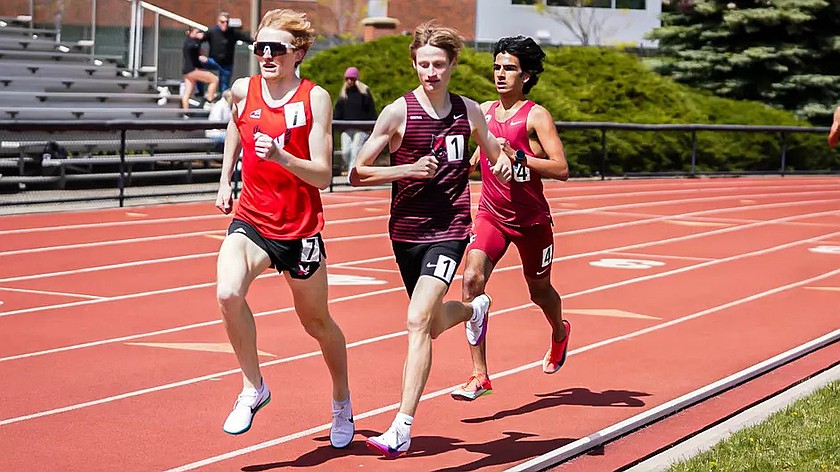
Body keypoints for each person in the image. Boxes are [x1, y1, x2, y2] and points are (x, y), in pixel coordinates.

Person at [349, 20, 512, 459]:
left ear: (453, 63)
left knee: (417, 321)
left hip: (452, 229)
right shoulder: (397, 112)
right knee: (434, 323)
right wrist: (405, 169)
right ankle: (475, 308)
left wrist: (499, 164)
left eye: (438, 64)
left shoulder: (469, 111)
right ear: (414, 64)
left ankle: (402, 428)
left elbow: (496, 156)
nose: (430, 73)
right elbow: (356, 173)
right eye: (423, 64)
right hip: (405, 233)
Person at [213, 8, 354, 449]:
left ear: (299, 53)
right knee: (228, 292)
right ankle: (254, 387)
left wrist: (280, 157)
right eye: (261, 48)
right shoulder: (243, 88)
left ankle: (341, 401)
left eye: (277, 49)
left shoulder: (314, 98)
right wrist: (225, 179)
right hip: (252, 218)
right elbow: (240, 124)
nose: (268, 55)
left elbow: (323, 175)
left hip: (299, 229)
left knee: (316, 323)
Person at [449, 36, 572, 402]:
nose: (501, 75)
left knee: (540, 292)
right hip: (491, 215)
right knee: (470, 279)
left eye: (510, 69)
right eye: (497, 67)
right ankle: (479, 373)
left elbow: (561, 168)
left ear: (527, 75)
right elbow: (473, 162)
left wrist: (518, 157)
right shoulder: (483, 112)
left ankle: (559, 331)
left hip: (532, 222)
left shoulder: (536, 115)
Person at [333, 66, 377, 172]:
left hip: (361, 129)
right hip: (346, 128)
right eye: (348, 79)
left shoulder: (364, 93)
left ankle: (351, 175)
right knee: (346, 152)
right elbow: (338, 111)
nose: (350, 81)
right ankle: (352, 170)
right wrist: (335, 123)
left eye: (352, 79)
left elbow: (370, 109)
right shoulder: (343, 94)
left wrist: (371, 127)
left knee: (355, 150)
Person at [202, 11, 253, 92]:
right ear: (218, 22)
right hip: (213, 61)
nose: (225, 24)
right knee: (197, 66)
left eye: (227, 22)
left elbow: (247, 39)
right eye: (222, 22)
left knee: (224, 87)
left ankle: (222, 101)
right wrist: (199, 54)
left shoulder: (232, 32)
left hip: (226, 64)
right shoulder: (212, 31)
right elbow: (198, 40)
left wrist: (256, 43)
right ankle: (200, 91)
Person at [181, 27, 218, 110]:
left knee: (188, 92)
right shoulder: (190, 42)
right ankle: (209, 100)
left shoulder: (191, 42)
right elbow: (193, 47)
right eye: (196, 32)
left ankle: (185, 112)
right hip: (192, 70)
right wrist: (199, 40)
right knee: (214, 79)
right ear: (190, 33)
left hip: (188, 71)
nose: (198, 34)